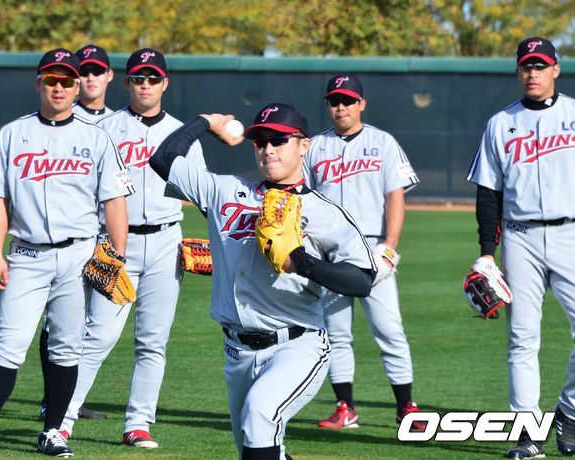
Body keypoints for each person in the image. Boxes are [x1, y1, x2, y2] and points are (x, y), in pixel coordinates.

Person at [148, 102, 376, 459]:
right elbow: (163, 159)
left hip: (296, 344)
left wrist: (302, 262)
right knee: (254, 447)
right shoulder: (224, 191)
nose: (268, 149)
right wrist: (206, 120)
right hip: (236, 351)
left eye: (279, 140)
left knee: (259, 415)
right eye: (260, 141)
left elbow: (362, 280)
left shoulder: (324, 213)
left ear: (304, 145)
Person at [59, 48, 204, 449]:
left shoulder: (180, 133)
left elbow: (201, 191)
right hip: (114, 243)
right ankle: (62, 419)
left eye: (153, 78)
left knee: (152, 341)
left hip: (166, 241)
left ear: (165, 83)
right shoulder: (104, 128)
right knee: (99, 336)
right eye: (138, 78)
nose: (145, 85)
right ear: (126, 82)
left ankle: (138, 424)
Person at [0, 48, 131, 457]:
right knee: (8, 346)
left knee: (67, 347)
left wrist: (117, 255)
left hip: (78, 256)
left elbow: (114, 201)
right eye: (52, 79)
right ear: (38, 83)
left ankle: (53, 431)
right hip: (26, 254)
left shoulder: (96, 137)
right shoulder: (12, 134)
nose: (59, 87)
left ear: (76, 87)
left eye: (67, 80)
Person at [467, 36, 575, 459]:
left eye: (540, 65)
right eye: (527, 66)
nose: (533, 73)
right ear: (518, 71)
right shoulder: (500, 124)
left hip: (571, 233)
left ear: (555, 70)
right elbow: (488, 193)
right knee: (522, 338)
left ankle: (568, 412)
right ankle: (528, 434)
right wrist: (486, 251)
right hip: (519, 238)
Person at [303, 74, 424, 430]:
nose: (341, 107)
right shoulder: (315, 147)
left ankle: (406, 407)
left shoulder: (382, 142)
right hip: (329, 251)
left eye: (348, 100)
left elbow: (395, 196)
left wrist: (390, 246)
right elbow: (302, 199)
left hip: (372, 248)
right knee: (336, 334)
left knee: (389, 330)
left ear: (361, 104)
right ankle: (345, 407)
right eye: (334, 101)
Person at [38, 43, 115, 422]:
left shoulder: (117, 123)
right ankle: (51, 402)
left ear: (108, 76)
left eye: (96, 70)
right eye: (83, 71)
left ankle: (66, 400)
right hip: (69, 236)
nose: (89, 77)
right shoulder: (58, 118)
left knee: (87, 323)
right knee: (55, 320)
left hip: (103, 238)